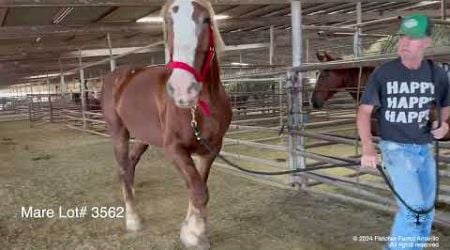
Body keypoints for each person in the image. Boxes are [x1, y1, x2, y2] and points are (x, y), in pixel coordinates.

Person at [357, 14, 450, 250]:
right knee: (413, 208)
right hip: (396, 149)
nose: (405, 42)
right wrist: (368, 147)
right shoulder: (383, 73)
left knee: (426, 211)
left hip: (424, 149)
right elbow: (364, 112)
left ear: (427, 42)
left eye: (414, 38)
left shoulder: (436, 73)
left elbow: (446, 105)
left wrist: (444, 124)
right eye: (403, 37)